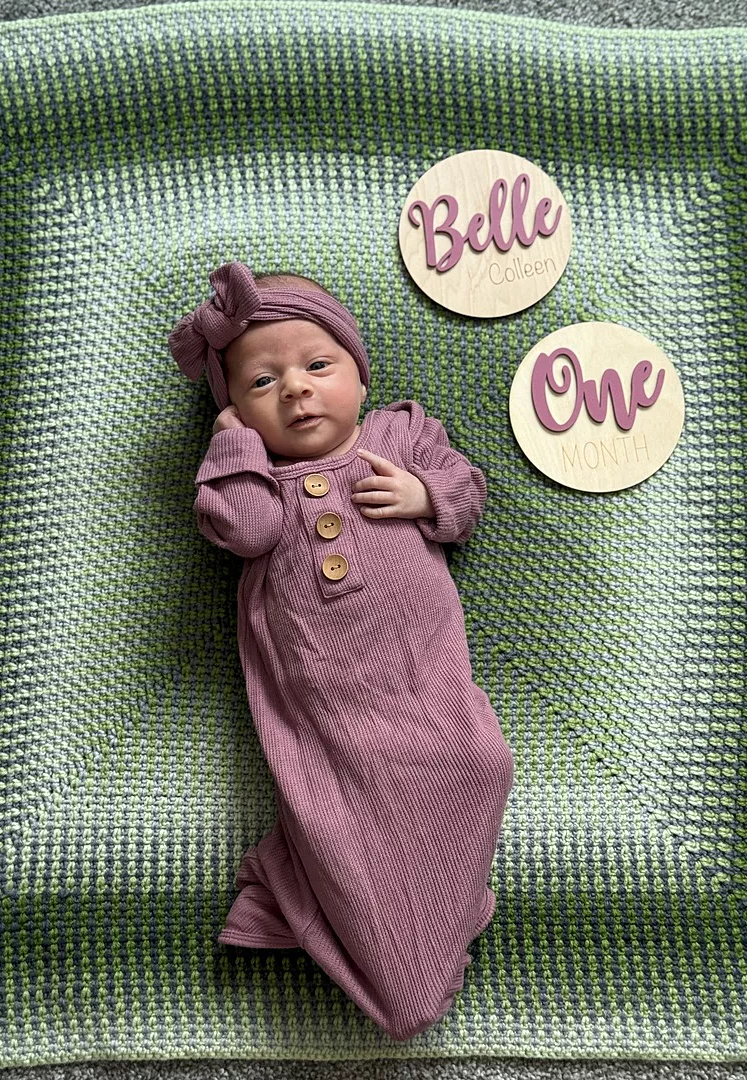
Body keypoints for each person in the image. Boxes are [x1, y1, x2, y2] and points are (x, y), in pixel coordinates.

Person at [168, 259, 515, 1041]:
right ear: (236, 411)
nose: (295, 389)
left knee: (483, 763)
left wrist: (426, 495)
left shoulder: (400, 433)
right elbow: (247, 532)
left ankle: (388, 909)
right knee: (335, 816)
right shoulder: (253, 474)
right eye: (262, 383)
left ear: (360, 377)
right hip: (327, 695)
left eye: (318, 366)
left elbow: (467, 492)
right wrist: (232, 447)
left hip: (423, 678)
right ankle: (351, 922)